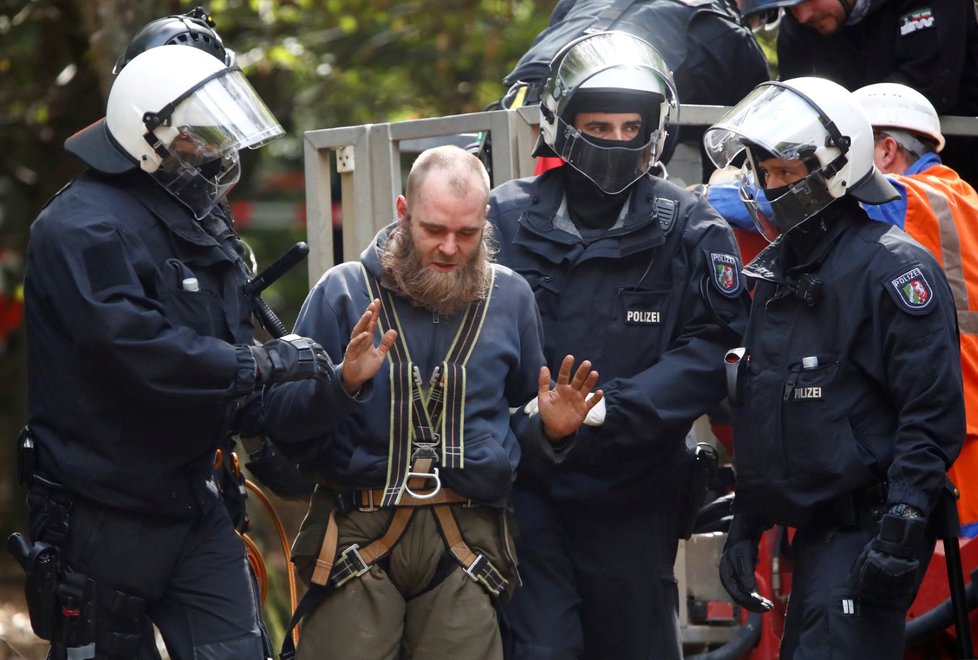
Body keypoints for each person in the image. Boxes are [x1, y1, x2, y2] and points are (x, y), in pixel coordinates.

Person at [19, 44, 334, 659]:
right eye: (198, 138)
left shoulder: (194, 222)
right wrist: (262, 364)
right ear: (150, 137)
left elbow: (228, 341)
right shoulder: (80, 228)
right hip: (102, 513)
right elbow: (135, 351)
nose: (216, 153)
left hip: (196, 500)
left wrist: (323, 391)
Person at [261, 145, 603, 660]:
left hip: (467, 543)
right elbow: (281, 425)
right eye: (433, 230)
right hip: (357, 530)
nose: (449, 247)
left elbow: (510, 428)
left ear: (485, 221)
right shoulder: (343, 292)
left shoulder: (511, 299)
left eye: (466, 234)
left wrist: (553, 431)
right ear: (402, 214)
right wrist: (341, 385)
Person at [487, 31, 752, 659]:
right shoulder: (505, 216)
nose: (614, 139)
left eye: (630, 125)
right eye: (598, 125)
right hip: (530, 487)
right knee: (541, 648)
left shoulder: (689, 224)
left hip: (635, 490)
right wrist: (533, 422)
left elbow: (719, 341)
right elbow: (472, 336)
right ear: (563, 124)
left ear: (653, 131)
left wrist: (613, 408)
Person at [703, 76, 964, 657]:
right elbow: (763, 404)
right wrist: (748, 523)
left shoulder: (891, 269)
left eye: (787, 175)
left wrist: (901, 524)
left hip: (869, 526)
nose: (772, 189)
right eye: (766, 174)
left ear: (835, 171)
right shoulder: (779, 275)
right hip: (812, 529)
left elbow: (932, 411)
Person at [852, 82, 978, 539]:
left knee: (953, 580)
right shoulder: (959, 194)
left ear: (885, 151)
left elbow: (806, 202)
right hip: (961, 403)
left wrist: (711, 197)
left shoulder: (909, 197)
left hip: (955, 407)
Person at [499, 0, 769, 182]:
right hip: (589, 114)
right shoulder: (725, 30)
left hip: (520, 102)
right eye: (765, 16)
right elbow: (746, 150)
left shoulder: (580, 3)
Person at [738, 0, 978, 185]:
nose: (803, 16)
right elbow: (797, 102)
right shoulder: (798, 25)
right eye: (790, 8)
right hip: (850, 175)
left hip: (953, 172)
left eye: (808, 0)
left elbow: (931, 84)